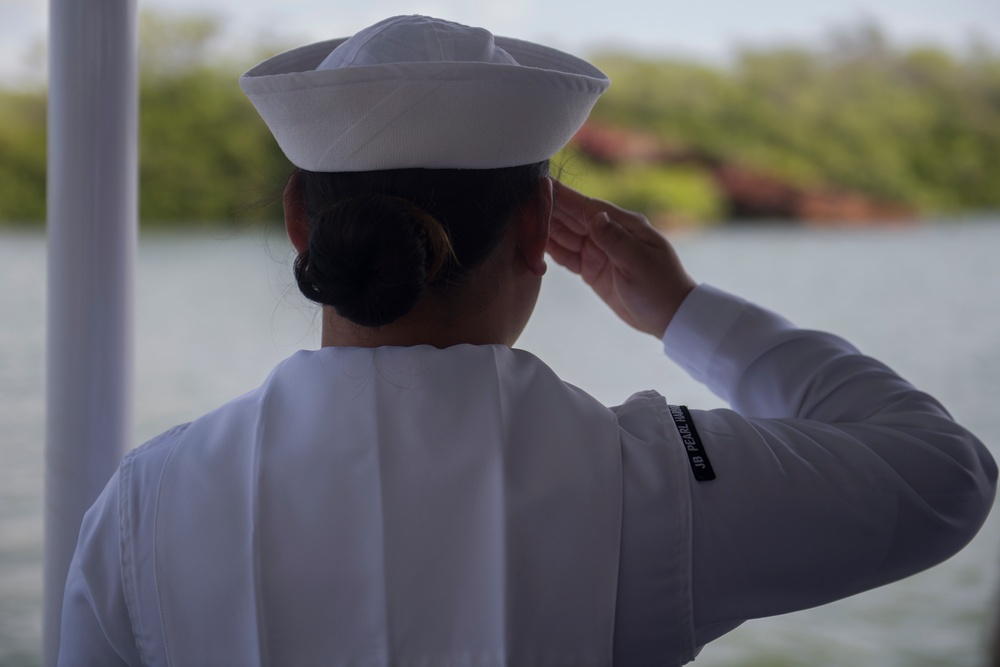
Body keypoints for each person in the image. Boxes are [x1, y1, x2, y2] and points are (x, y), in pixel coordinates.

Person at [57, 15, 996, 666]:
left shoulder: (145, 500)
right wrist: (683, 310)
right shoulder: (653, 484)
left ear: (301, 219)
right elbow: (944, 471)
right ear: (535, 226)